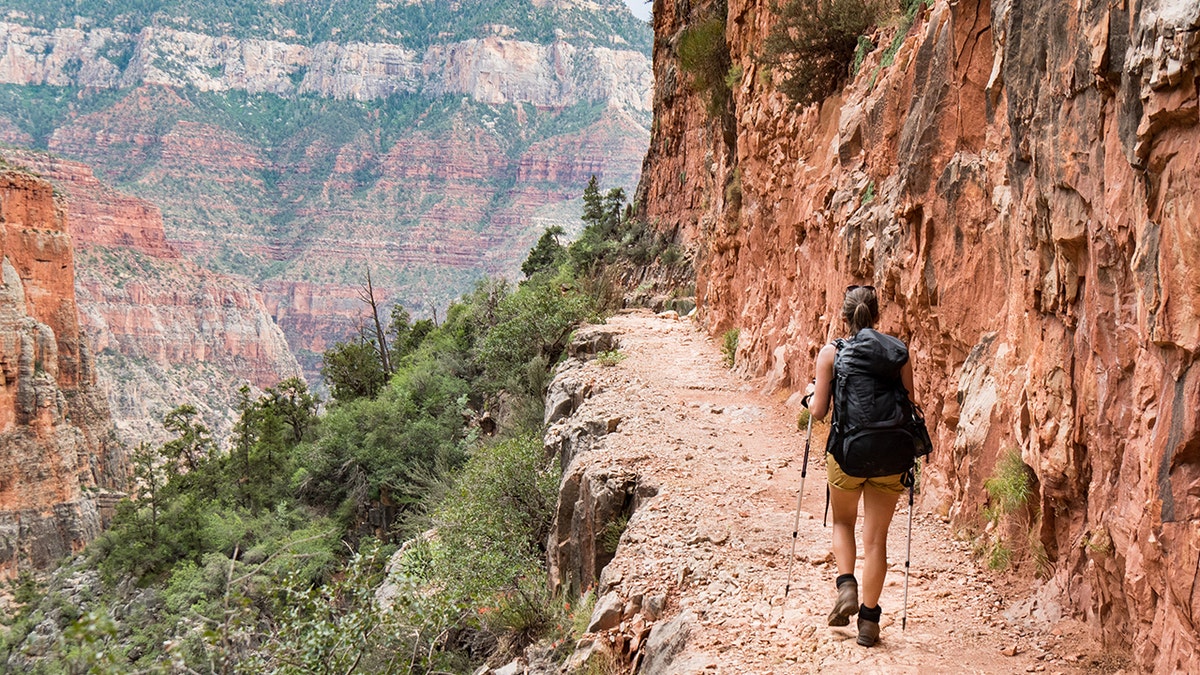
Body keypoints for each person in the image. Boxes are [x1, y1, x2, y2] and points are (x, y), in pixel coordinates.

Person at [805, 285, 915, 647]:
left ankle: (846, 585)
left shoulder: (831, 353)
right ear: (877, 315)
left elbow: (819, 411)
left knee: (843, 521)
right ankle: (869, 621)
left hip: (847, 456)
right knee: (877, 538)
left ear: (844, 317)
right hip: (890, 456)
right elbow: (909, 405)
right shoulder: (898, 352)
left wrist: (808, 397)